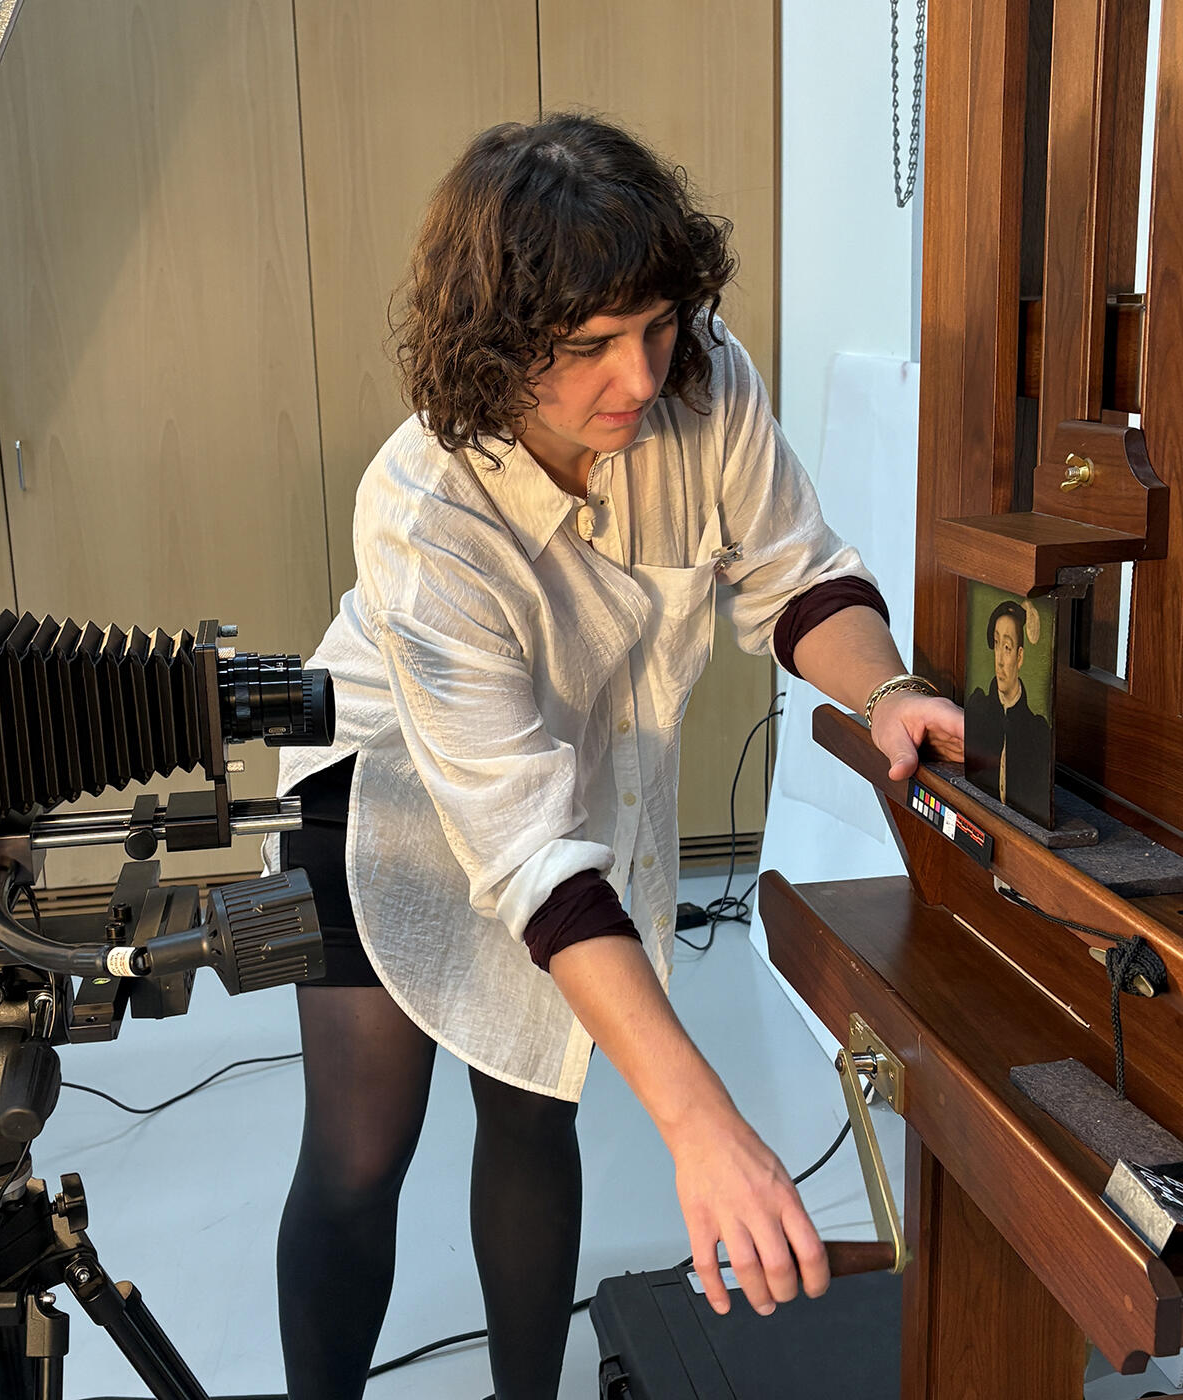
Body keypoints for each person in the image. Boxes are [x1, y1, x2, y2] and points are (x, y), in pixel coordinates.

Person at [264, 113, 964, 1400]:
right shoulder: (422, 510)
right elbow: (522, 847)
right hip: (392, 787)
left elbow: (797, 578)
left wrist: (890, 690)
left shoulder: (704, 381)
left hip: (570, 780)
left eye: (654, 324)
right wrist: (701, 1123)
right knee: (363, 1147)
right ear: (489, 349)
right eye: (587, 347)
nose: (640, 376)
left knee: (537, 1102)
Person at [964, 598, 1053, 823]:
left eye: (1007, 647)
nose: (1001, 661)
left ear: (1019, 656)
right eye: (996, 645)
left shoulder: (1037, 731)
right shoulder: (977, 709)